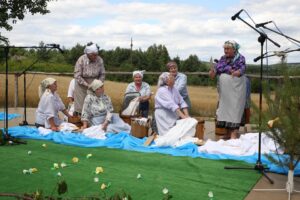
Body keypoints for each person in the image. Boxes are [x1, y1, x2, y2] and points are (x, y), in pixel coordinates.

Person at [215, 40, 247, 139]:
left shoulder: (240, 58)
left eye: (228, 49)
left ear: (234, 49)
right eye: (224, 49)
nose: (225, 51)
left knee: (235, 109)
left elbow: (242, 69)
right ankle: (228, 133)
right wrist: (215, 71)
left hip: (236, 88)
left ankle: (234, 133)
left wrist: (236, 72)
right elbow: (218, 68)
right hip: (225, 91)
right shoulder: (222, 58)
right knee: (225, 109)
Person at [74, 42, 105, 116]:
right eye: (93, 55)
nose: (95, 56)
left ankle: (94, 121)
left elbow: (102, 74)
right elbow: (77, 75)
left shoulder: (99, 60)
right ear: (88, 54)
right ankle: (81, 120)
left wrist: (98, 85)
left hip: (95, 84)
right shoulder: (81, 59)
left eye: (96, 55)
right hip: (82, 85)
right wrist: (87, 85)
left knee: (95, 104)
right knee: (82, 105)